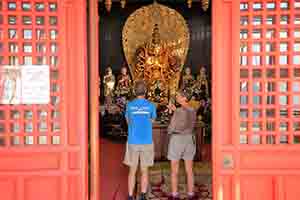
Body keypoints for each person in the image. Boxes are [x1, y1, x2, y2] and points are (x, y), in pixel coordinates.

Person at [124, 80, 157, 200]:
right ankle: (143, 195)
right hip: (146, 141)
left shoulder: (129, 105)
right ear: (146, 91)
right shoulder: (151, 106)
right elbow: (152, 121)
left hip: (133, 141)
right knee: (144, 170)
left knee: (132, 171)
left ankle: (130, 196)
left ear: (134, 91)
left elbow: (128, 122)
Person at [167, 90, 197, 200]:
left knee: (174, 170)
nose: (177, 97)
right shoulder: (193, 110)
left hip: (177, 140)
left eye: (179, 96)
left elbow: (171, 128)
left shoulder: (178, 111)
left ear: (185, 98)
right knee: (189, 170)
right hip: (189, 139)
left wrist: (173, 113)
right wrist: (174, 110)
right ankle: (191, 194)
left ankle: (175, 194)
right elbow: (185, 114)